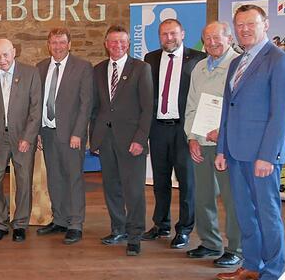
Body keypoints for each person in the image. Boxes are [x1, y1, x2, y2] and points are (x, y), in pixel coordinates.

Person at [215, 5, 285, 280]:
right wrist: (222, 148)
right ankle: (251, 266)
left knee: (267, 215)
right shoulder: (237, 62)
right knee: (244, 214)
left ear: (266, 24)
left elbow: (282, 113)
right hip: (236, 152)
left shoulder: (279, 60)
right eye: (240, 25)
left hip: (262, 156)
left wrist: (267, 155)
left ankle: (273, 271)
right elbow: (229, 107)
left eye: (251, 23)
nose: (245, 29)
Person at [90, 25, 153, 256]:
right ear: (106, 44)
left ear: (128, 44)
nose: (118, 46)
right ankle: (118, 228)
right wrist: (94, 140)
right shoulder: (97, 70)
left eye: (122, 42)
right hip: (106, 141)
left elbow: (147, 109)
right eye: (113, 42)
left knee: (134, 190)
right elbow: (95, 108)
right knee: (112, 187)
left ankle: (135, 235)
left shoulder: (141, 68)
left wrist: (140, 139)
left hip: (131, 142)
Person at [142, 19, 205, 248]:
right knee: (160, 181)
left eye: (173, 33)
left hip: (184, 129)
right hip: (158, 128)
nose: (169, 38)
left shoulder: (198, 59)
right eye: (164, 34)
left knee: (187, 182)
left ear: (183, 33)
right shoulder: (151, 59)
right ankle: (161, 224)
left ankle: (185, 229)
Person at [184, 22, 242, 268]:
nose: (212, 43)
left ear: (229, 38)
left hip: (227, 144)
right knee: (203, 196)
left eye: (217, 38)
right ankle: (210, 242)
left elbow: (240, 107)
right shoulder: (199, 67)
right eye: (207, 39)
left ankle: (236, 248)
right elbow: (191, 105)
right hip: (201, 142)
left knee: (231, 198)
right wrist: (192, 138)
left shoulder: (239, 65)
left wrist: (224, 133)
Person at [0, 38, 41, 242]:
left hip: (22, 138)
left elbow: (35, 110)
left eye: (5, 55)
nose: (1, 60)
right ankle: (0, 223)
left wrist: (28, 137)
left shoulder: (30, 73)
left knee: (23, 181)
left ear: (14, 52)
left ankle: (20, 223)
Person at [35, 27, 94, 245]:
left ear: (69, 44)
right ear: (48, 45)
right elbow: (37, 103)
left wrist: (78, 133)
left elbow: (86, 104)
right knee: (55, 178)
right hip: (48, 132)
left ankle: (75, 223)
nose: (57, 46)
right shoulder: (41, 67)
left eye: (62, 42)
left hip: (71, 135)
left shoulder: (82, 67)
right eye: (53, 42)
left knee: (73, 179)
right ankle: (59, 219)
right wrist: (38, 132)